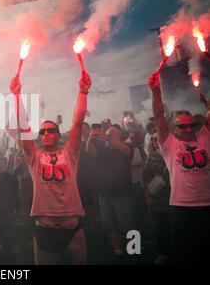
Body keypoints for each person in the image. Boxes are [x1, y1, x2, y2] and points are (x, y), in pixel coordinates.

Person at [10, 70, 92, 265]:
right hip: (46, 227)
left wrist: (83, 93)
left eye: (51, 130)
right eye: (43, 131)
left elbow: (78, 123)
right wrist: (17, 95)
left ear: (58, 134)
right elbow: (24, 126)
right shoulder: (34, 156)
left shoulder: (69, 153)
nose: (46, 133)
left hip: (73, 226)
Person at [148, 71, 210, 264]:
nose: (189, 129)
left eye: (191, 125)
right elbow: (159, 114)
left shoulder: (204, 136)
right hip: (182, 207)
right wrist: (156, 90)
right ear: (173, 128)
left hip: (208, 205)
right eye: (183, 127)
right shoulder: (168, 142)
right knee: (183, 255)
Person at [86, 124, 135, 264]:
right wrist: (90, 139)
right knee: (110, 225)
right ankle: (118, 252)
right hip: (105, 194)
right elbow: (90, 151)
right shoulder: (103, 150)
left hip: (123, 193)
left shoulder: (127, 148)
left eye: (112, 135)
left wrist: (105, 136)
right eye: (108, 135)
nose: (109, 137)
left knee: (128, 225)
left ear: (119, 136)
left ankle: (134, 251)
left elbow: (123, 148)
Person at [142, 130, 171, 265]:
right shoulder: (152, 158)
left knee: (177, 227)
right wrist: (148, 195)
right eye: (153, 140)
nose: (155, 142)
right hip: (159, 199)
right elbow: (145, 178)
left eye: (158, 139)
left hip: (176, 197)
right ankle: (164, 252)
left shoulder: (174, 154)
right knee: (162, 227)